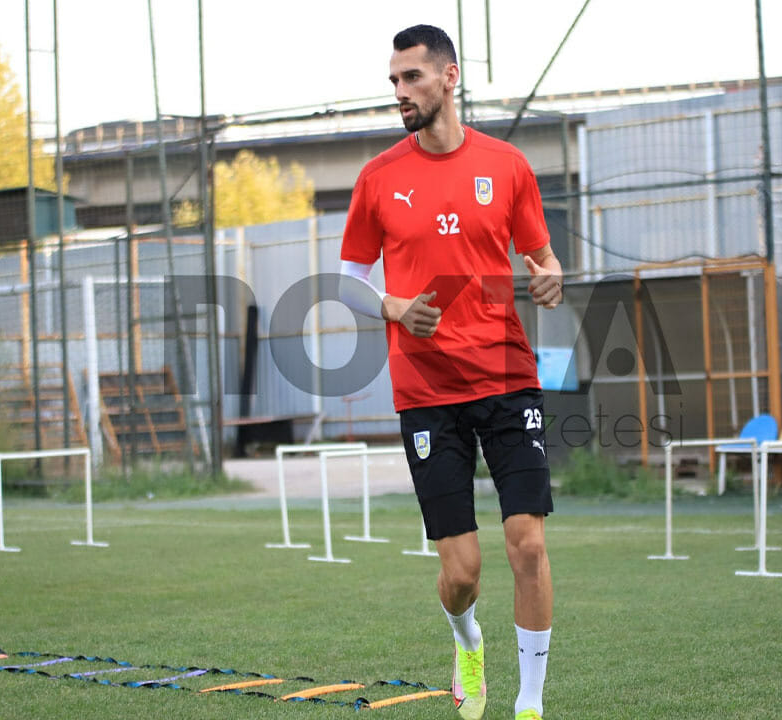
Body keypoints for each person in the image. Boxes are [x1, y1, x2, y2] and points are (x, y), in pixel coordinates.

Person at [338, 24, 563, 720]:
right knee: (462, 573)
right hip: (427, 394)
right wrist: (392, 305)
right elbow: (347, 281)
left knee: (527, 543)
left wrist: (551, 276)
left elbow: (543, 258)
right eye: (394, 81)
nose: (400, 92)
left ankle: (529, 707)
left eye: (411, 78)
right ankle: (466, 639)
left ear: (449, 77)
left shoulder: (509, 166)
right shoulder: (378, 177)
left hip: (507, 378)